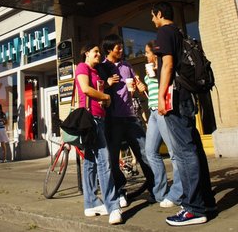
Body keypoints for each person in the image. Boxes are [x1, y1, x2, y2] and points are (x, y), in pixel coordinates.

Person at [151, 1, 216, 226]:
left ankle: (193, 209)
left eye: (153, 16)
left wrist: (160, 97)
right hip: (187, 97)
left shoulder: (164, 32)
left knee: (185, 152)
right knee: (195, 150)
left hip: (175, 99)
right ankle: (206, 203)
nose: (152, 20)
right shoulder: (178, 32)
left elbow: (168, 65)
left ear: (159, 14)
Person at [97, 34, 155, 208]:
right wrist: (107, 83)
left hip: (131, 117)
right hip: (112, 119)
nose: (121, 50)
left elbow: (135, 86)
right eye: (118, 48)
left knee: (145, 153)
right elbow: (96, 89)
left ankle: (155, 188)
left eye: (121, 47)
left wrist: (139, 86)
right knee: (113, 159)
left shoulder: (127, 65)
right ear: (109, 50)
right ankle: (120, 191)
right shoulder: (102, 67)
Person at [75, 43, 122, 225]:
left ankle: (91, 203)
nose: (98, 54)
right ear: (86, 53)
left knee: (90, 161)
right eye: (95, 51)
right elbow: (85, 89)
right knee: (104, 161)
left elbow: (95, 92)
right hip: (91, 120)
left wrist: (103, 100)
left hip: (98, 118)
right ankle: (113, 206)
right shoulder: (82, 67)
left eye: (99, 52)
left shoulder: (96, 72)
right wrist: (106, 97)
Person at [142, 40, 183, 208]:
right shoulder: (150, 69)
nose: (145, 55)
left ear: (154, 54)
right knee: (150, 151)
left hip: (163, 111)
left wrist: (156, 74)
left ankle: (178, 193)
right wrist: (142, 86)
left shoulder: (162, 67)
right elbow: (151, 90)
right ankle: (160, 193)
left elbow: (166, 85)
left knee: (174, 152)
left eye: (147, 52)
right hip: (152, 111)